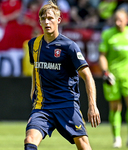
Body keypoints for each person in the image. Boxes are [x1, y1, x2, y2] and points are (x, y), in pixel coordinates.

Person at [24, 1, 101, 150]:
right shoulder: (33, 44)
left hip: (67, 105)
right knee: (30, 139)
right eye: (43, 18)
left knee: (84, 146)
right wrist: (33, 89)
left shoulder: (69, 46)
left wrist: (92, 105)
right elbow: (36, 67)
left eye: (50, 18)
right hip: (43, 106)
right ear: (39, 21)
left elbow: (88, 76)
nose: (47, 22)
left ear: (58, 20)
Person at [98, 9, 128, 148]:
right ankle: (117, 138)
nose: (118, 23)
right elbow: (102, 55)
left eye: (120, 20)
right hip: (112, 77)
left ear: (126, 20)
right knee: (115, 108)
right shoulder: (107, 34)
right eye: (116, 20)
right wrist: (105, 72)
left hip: (127, 77)